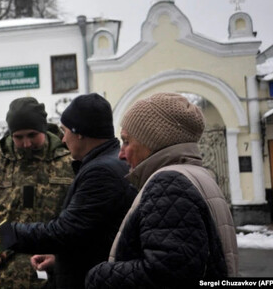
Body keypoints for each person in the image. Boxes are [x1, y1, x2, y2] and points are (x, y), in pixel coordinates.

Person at [86, 93, 239, 288]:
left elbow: (167, 274)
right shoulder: (195, 175)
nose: (121, 154)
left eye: (126, 141)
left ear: (152, 143)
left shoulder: (169, 184)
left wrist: (99, 275)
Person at [7, 93, 137, 289]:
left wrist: (2, 234)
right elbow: (91, 236)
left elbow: (64, 232)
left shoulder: (101, 172)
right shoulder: (109, 162)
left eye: (64, 130)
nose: (63, 138)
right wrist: (61, 260)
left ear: (79, 133)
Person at [0, 97, 75, 288]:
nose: (26, 143)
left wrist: (60, 255)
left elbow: (80, 223)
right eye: (18, 137)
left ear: (44, 129)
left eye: (32, 135)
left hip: (51, 275)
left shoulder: (68, 165)